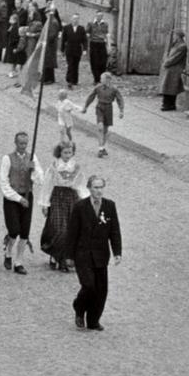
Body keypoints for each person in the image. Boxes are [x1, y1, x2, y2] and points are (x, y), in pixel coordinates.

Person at [66, 175, 122, 331]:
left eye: (101, 187)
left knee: (101, 290)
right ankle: (79, 307)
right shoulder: (80, 207)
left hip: (101, 255)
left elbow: (114, 230)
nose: (99, 191)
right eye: (96, 187)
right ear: (89, 188)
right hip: (83, 254)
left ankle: (93, 320)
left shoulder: (109, 206)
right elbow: (72, 233)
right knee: (89, 286)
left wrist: (117, 252)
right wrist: (69, 256)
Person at [0, 132, 44, 275]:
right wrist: (18, 198)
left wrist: (34, 170)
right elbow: (3, 183)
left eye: (25, 143)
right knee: (14, 230)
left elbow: (40, 180)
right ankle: (8, 252)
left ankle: (18, 261)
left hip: (27, 195)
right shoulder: (7, 159)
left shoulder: (32, 158)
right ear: (15, 143)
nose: (23, 146)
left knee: (24, 232)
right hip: (12, 197)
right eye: (20, 143)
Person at [40, 142, 87, 271]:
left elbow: (81, 184)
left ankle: (64, 259)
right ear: (59, 152)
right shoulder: (54, 166)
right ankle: (55, 254)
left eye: (70, 152)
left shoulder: (76, 167)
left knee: (70, 229)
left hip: (71, 198)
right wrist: (44, 203)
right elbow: (47, 184)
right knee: (58, 228)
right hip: (57, 198)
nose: (67, 155)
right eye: (65, 152)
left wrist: (85, 200)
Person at [82, 72, 124, 158]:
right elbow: (91, 97)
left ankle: (102, 148)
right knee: (100, 128)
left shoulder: (114, 89)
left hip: (108, 109)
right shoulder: (98, 87)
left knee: (105, 130)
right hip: (100, 107)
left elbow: (120, 99)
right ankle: (101, 149)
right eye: (101, 79)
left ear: (108, 80)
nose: (101, 80)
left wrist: (121, 111)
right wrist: (85, 106)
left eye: (102, 79)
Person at [159, 30, 188, 111]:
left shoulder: (182, 46)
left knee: (171, 87)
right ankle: (167, 103)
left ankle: (169, 104)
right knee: (167, 87)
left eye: (175, 35)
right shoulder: (175, 45)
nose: (174, 37)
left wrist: (166, 63)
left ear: (178, 36)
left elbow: (175, 58)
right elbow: (168, 54)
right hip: (170, 68)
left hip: (175, 69)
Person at [61, 14, 87, 88]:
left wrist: (85, 49)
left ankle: (75, 80)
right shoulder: (66, 28)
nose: (75, 20)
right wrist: (62, 50)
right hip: (69, 49)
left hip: (77, 49)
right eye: (74, 19)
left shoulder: (81, 28)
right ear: (71, 19)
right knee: (70, 64)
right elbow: (63, 39)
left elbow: (84, 40)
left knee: (76, 65)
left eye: (77, 19)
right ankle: (69, 80)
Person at [86, 11, 109, 84]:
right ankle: (96, 79)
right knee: (94, 61)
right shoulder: (91, 23)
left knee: (102, 61)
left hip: (102, 43)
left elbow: (107, 34)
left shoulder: (105, 24)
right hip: (94, 43)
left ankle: (102, 78)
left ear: (102, 17)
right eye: (98, 16)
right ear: (96, 16)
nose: (99, 17)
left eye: (101, 16)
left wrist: (108, 44)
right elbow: (87, 33)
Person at [43, 8, 60, 84]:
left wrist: (46, 40)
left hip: (50, 45)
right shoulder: (50, 21)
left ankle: (48, 79)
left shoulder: (53, 22)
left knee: (49, 62)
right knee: (47, 61)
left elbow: (52, 35)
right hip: (49, 44)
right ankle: (48, 78)